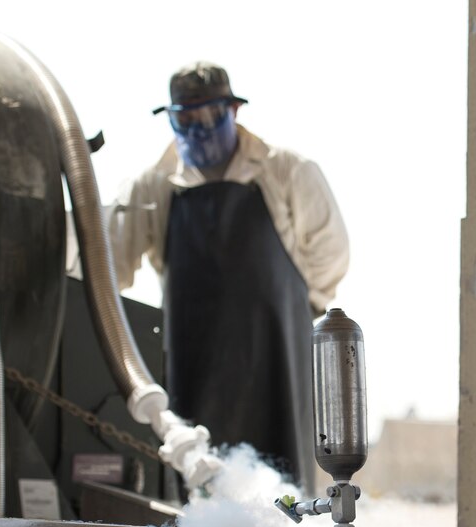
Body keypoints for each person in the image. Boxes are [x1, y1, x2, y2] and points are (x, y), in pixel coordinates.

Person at [109, 61, 350, 492]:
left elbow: (330, 254)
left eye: (210, 117)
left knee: (285, 491)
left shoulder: (288, 172)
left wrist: (295, 312)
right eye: (187, 120)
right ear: (172, 120)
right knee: (196, 486)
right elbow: (110, 268)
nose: (199, 131)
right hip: (192, 361)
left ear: (233, 111)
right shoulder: (153, 186)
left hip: (277, 359)